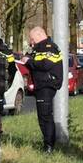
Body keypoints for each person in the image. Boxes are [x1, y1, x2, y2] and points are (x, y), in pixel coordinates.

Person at [23, 26, 64, 154]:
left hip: (47, 84)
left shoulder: (49, 47)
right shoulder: (39, 48)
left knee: (45, 116)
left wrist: (29, 61)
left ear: (39, 35)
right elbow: (33, 60)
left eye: (32, 38)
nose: (31, 42)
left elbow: (45, 65)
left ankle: (49, 147)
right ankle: (47, 144)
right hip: (41, 85)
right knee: (42, 117)